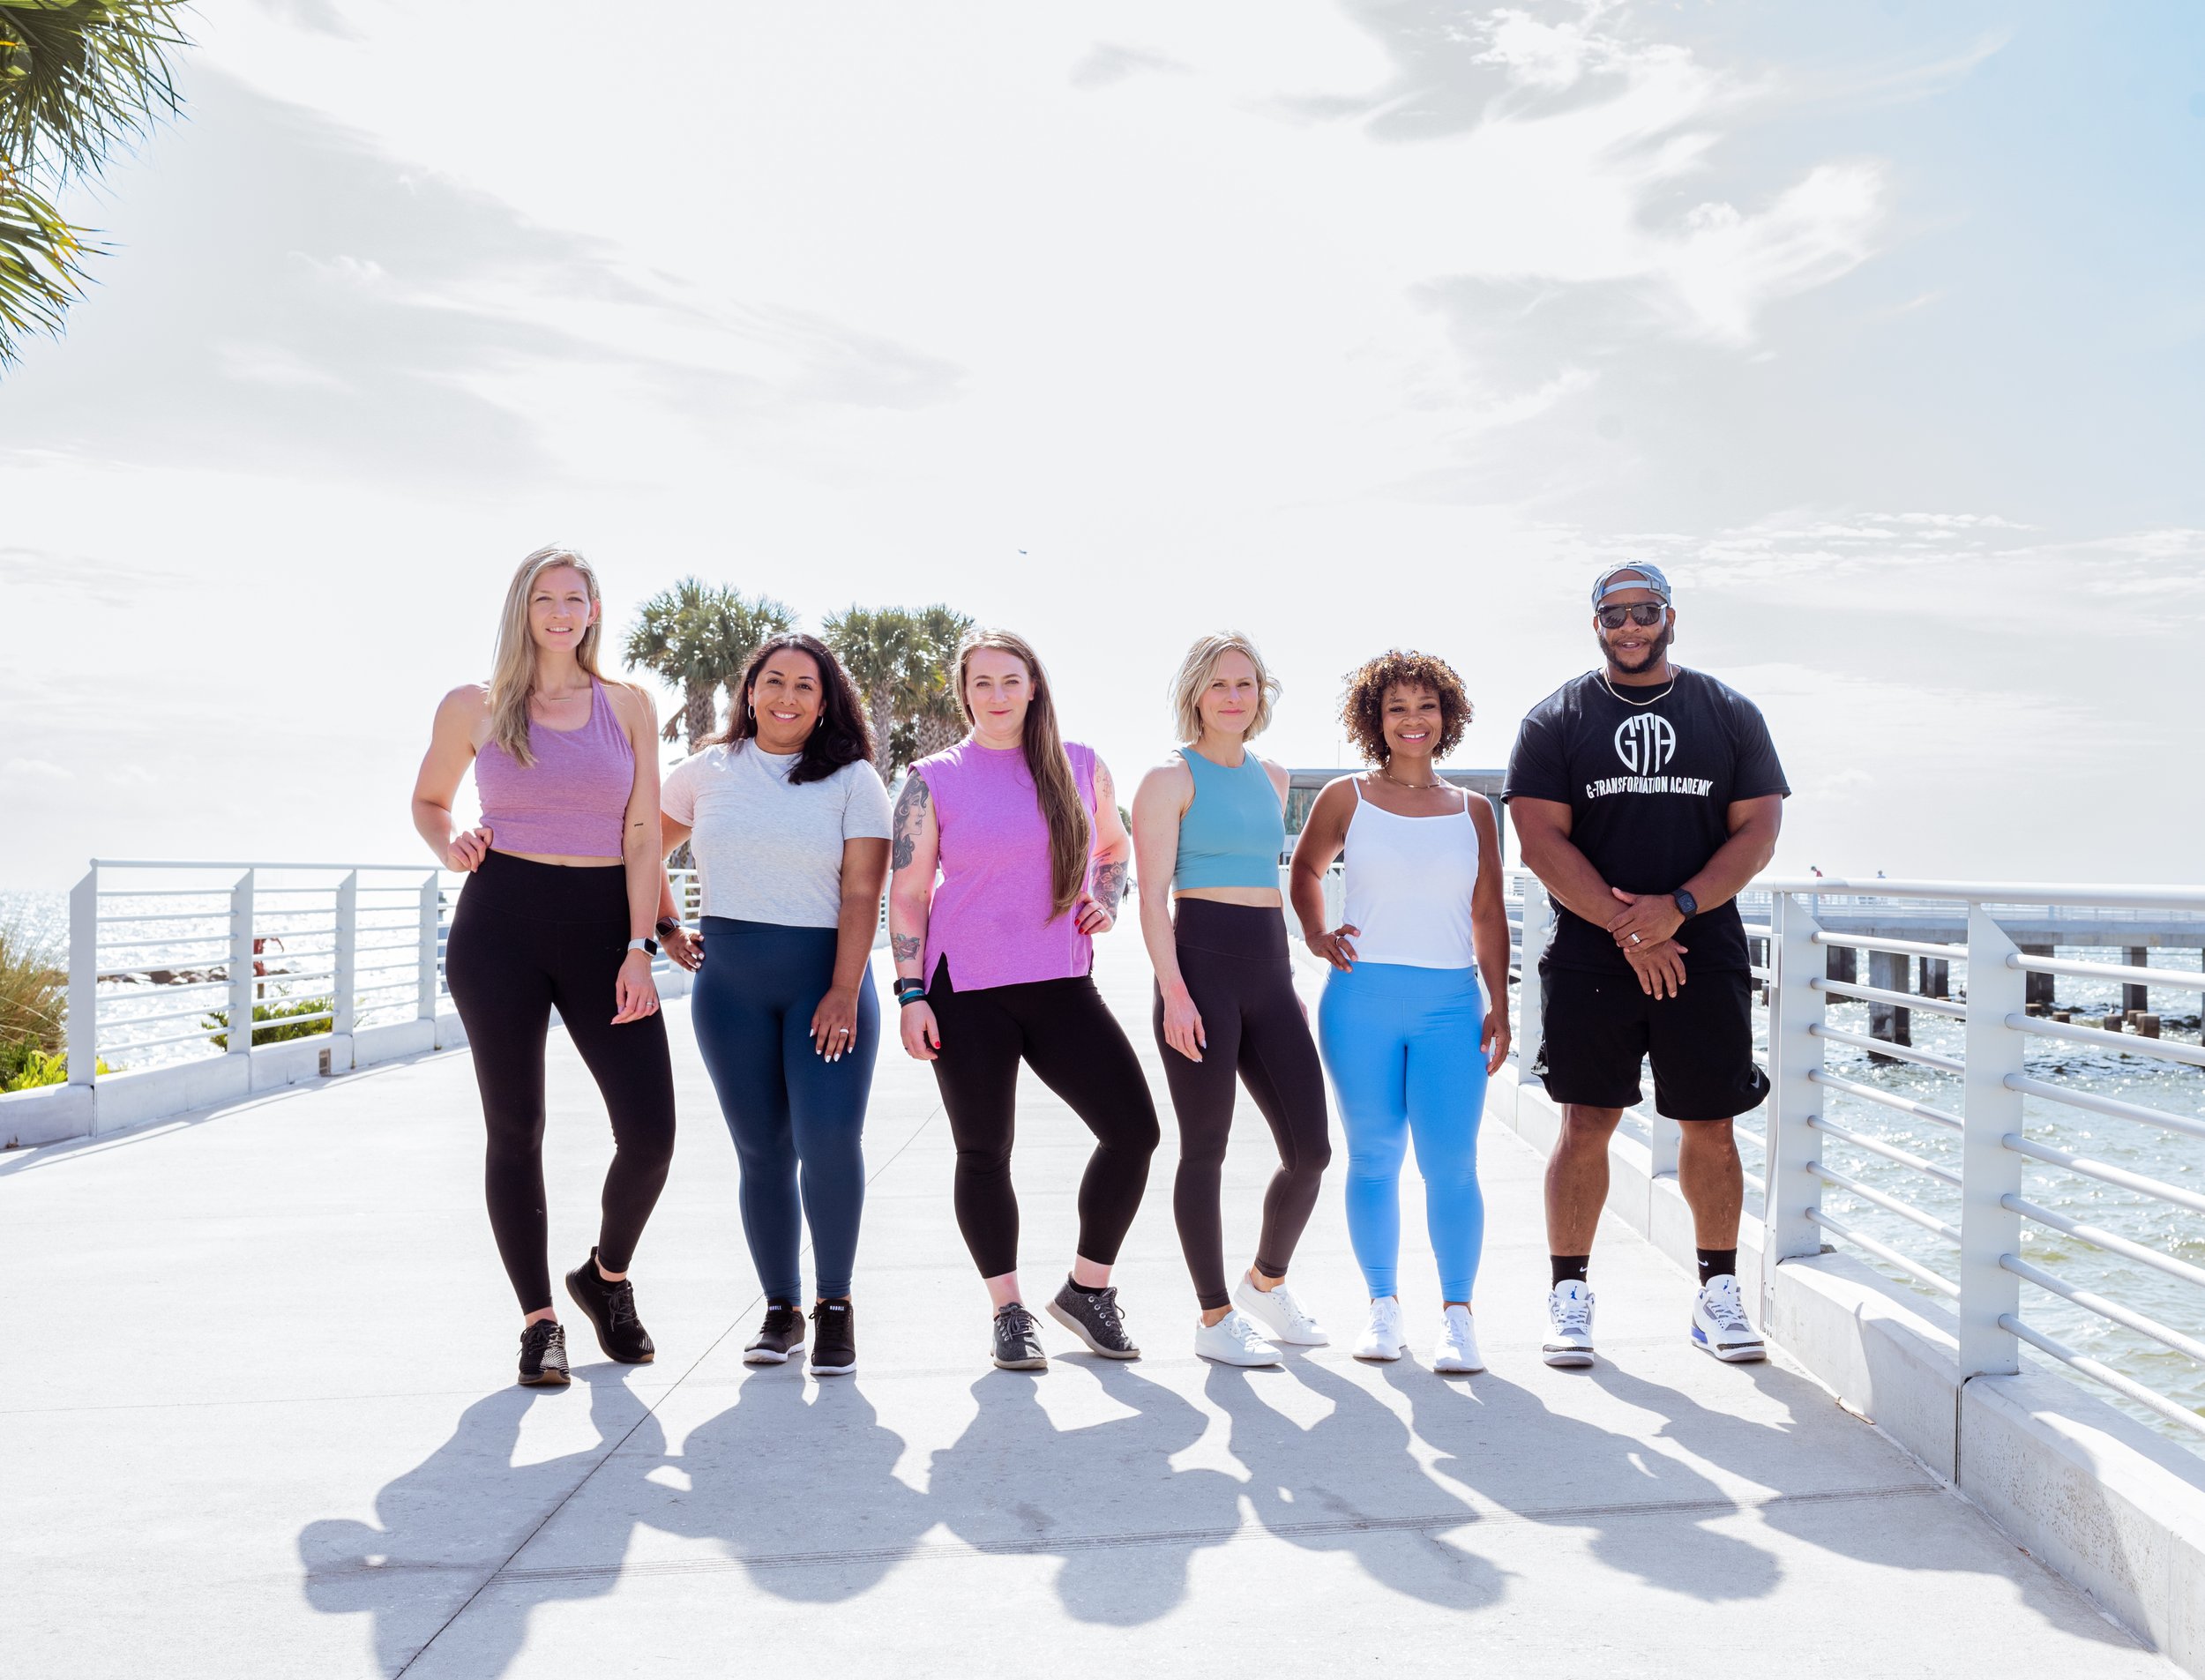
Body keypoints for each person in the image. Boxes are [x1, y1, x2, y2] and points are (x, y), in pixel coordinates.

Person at [1504, 563, 1787, 1369]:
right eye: (1615, 614)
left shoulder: (1728, 713)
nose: (1631, 627)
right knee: (1585, 1121)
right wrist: (1634, 927)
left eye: (1646, 611)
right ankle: (1569, 1295)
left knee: (1710, 1121)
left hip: (1705, 948)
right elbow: (1540, 841)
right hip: (1594, 954)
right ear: (1595, 622)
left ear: (1670, 617)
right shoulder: (1556, 720)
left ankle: (1717, 1294)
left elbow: (1757, 833)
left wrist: (1679, 910)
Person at [411, 546, 676, 1388]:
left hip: (605, 928)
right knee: (516, 1127)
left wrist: (641, 944)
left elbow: (642, 833)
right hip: (500, 926)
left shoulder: (628, 706)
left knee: (650, 1130)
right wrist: (447, 842)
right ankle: (538, 1324)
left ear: (594, 610)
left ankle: (604, 1278)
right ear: (522, 609)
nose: (561, 612)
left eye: (576, 598)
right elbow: (428, 801)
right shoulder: (475, 705)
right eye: (545, 598)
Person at [887, 628, 1161, 1371]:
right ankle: (1008, 1310)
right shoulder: (932, 778)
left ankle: (1087, 1289)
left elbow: (1113, 847)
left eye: (1011, 680)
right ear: (964, 691)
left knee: (1134, 1130)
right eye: (982, 682)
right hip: (964, 990)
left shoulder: (1080, 766)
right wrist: (911, 993)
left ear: (1034, 685)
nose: (998, 695)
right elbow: (908, 894)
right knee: (984, 1151)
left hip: (1061, 981)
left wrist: (1106, 894)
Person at [656, 632, 892, 1378]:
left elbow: (862, 892)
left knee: (827, 1142)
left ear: (826, 704)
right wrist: (662, 925)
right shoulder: (705, 772)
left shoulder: (855, 780)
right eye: (774, 681)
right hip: (730, 991)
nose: (787, 698)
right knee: (761, 1152)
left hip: (827, 985)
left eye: (805, 687)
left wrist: (844, 989)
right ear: (750, 689)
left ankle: (834, 1307)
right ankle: (780, 1308)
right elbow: (638, 849)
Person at [1289, 650, 1511, 1373]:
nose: (1412, 720)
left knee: (1452, 1162)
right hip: (1362, 1003)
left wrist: (1499, 1001)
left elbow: (1487, 913)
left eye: (1425, 706)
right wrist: (1318, 933)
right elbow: (1306, 870)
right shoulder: (1346, 796)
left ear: (1447, 717)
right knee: (1376, 1157)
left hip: (1451, 1004)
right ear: (1374, 720)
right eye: (1396, 708)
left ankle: (1458, 1316)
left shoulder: (1475, 811)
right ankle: (1383, 1308)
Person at [1131, 633, 1332, 1368]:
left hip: (1269, 977)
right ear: (1196, 693)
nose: (1235, 696)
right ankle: (1213, 1317)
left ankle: (1264, 1282)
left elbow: (1269, 889)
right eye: (1220, 684)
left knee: (1310, 1149)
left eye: (1246, 684)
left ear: (1262, 695)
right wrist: (1175, 993)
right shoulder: (1167, 777)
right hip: (1200, 977)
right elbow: (1151, 898)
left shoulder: (1272, 777)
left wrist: (1287, 985)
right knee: (1205, 1150)